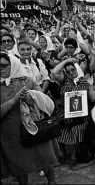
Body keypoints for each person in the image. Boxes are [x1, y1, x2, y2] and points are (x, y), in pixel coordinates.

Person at [0, 53, 56, 184]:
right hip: (11, 133)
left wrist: (31, 99)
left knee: (44, 157)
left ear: (13, 65)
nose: (0, 69)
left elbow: (46, 103)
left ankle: (52, 182)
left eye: (3, 66)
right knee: (19, 163)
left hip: (35, 127)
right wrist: (14, 100)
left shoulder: (27, 80)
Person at [51, 58, 95, 169]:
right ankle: (63, 153)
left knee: (78, 128)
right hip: (65, 113)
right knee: (58, 129)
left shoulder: (85, 82)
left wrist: (91, 88)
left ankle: (74, 155)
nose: (71, 73)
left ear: (78, 69)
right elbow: (54, 72)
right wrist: (67, 60)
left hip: (81, 115)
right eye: (68, 71)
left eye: (73, 70)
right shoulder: (64, 81)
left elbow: (91, 99)